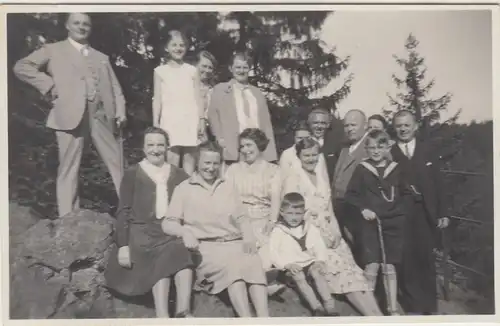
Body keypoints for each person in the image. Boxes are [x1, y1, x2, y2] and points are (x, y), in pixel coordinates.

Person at [13, 12, 126, 218]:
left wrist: (120, 110)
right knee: (68, 168)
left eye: (86, 24)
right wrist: (49, 85)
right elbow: (22, 67)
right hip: (69, 114)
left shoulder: (101, 58)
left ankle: (129, 214)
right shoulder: (53, 50)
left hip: (102, 116)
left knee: (118, 164)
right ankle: (68, 218)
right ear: (67, 25)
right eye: (77, 23)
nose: (81, 27)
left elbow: (116, 88)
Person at [162, 141, 269, 317]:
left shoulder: (227, 186)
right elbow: (168, 223)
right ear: (198, 162)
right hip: (206, 249)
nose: (211, 168)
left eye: (215, 163)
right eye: (207, 163)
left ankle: (265, 318)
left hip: (234, 242)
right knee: (234, 270)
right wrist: (185, 232)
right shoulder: (184, 188)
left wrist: (249, 236)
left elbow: (242, 217)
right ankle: (246, 318)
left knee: (253, 262)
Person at [282, 137, 382, 316]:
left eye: (314, 155)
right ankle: (372, 317)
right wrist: (319, 235)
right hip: (310, 237)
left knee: (355, 275)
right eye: (306, 155)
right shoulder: (293, 179)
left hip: (329, 232)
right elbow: (294, 217)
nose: (311, 159)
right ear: (298, 156)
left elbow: (328, 207)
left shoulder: (320, 175)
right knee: (345, 277)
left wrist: (336, 231)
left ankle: (379, 317)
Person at [104, 127, 195, 318]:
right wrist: (123, 245)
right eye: (151, 145)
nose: (156, 149)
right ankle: (162, 315)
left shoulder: (178, 174)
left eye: (160, 145)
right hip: (141, 232)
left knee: (180, 250)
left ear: (167, 147)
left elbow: (193, 204)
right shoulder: (133, 173)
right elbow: (124, 210)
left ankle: (183, 312)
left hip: (168, 229)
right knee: (159, 254)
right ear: (144, 148)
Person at [390, 110, 450, 315]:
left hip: (426, 213)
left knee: (425, 257)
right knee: (406, 258)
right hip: (401, 213)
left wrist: (443, 212)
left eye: (407, 125)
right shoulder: (390, 152)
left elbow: (439, 182)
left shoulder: (428, 150)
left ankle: (429, 306)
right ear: (394, 128)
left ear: (415, 126)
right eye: (399, 125)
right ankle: (412, 306)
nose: (403, 129)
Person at [344, 130, 408, 315]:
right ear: (366, 149)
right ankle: (370, 309)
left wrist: (400, 212)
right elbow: (351, 195)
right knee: (372, 265)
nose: (375, 151)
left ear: (388, 147)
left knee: (389, 266)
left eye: (380, 147)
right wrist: (363, 208)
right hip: (370, 223)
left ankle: (392, 308)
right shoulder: (362, 169)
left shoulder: (396, 168)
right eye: (371, 147)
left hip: (393, 223)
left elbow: (405, 193)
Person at [224, 128, 285, 295]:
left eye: (249, 145)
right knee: (241, 248)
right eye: (242, 146)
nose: (245, 150)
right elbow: (227, 199)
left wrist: (272, 222)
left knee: (266, 249)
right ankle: (262, 285)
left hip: (264, 218)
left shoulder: (273, 170)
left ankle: (259, 282)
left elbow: (275, 200)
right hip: (239, 219)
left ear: (259, 145)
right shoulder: (233, 170)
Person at [269, 192, 338, 316]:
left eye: (298, 213)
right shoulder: (278, 231)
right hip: (291, 266)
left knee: (317, 272)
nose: (294, 217)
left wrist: (320, 260)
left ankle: (329, 305)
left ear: (304, 213)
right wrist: (286, 265)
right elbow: (273, 252)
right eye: (290, 213)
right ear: (282, 213)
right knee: (299, 276)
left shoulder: (309, 228)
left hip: (308, 262)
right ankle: (316, 307)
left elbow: (319, 245)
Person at [207, 52, 277, 168]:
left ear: (249, 69)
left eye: (245, 67)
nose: (241, 71)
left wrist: (269, 150)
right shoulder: (221, 89)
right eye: (238, 67)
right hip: (233, 145)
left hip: (256, 146)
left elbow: (266, 123)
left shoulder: (256, 93)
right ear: (231, 68)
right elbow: (213, 115)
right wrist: (219, 138)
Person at [152, 30, 204, 175]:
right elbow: (157, 99)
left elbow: (198, 97)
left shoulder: (192, 70)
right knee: (171, 159)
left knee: (189, 159)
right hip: (170, 120)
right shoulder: (160, 71)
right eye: (174, 45)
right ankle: (171, 193)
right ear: (166, 48)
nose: (178, 48)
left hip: (189, 119)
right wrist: (156, 123)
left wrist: (201, 120)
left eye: (182, 45)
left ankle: (187, 193)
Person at [331, 109, 369, 252]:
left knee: (363, 250)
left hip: (360, 210)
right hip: (341, 209)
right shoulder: (345, 148)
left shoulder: (371, 146)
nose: (349, 129)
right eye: (346, 126)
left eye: (353, 125)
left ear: (365, 125)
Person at [307, 108, 342, 182]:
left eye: (323, 123)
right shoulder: (303, 144)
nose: (319, 126)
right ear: (310, 124)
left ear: (328, 125)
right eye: (315, 123)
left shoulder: (336, 145)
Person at [195, 50, 217, 143]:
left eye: (210, 68)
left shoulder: (213, 90)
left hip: (205, 134)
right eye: (204, 66)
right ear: (195, 65)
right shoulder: (186, 86)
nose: (207, 70)